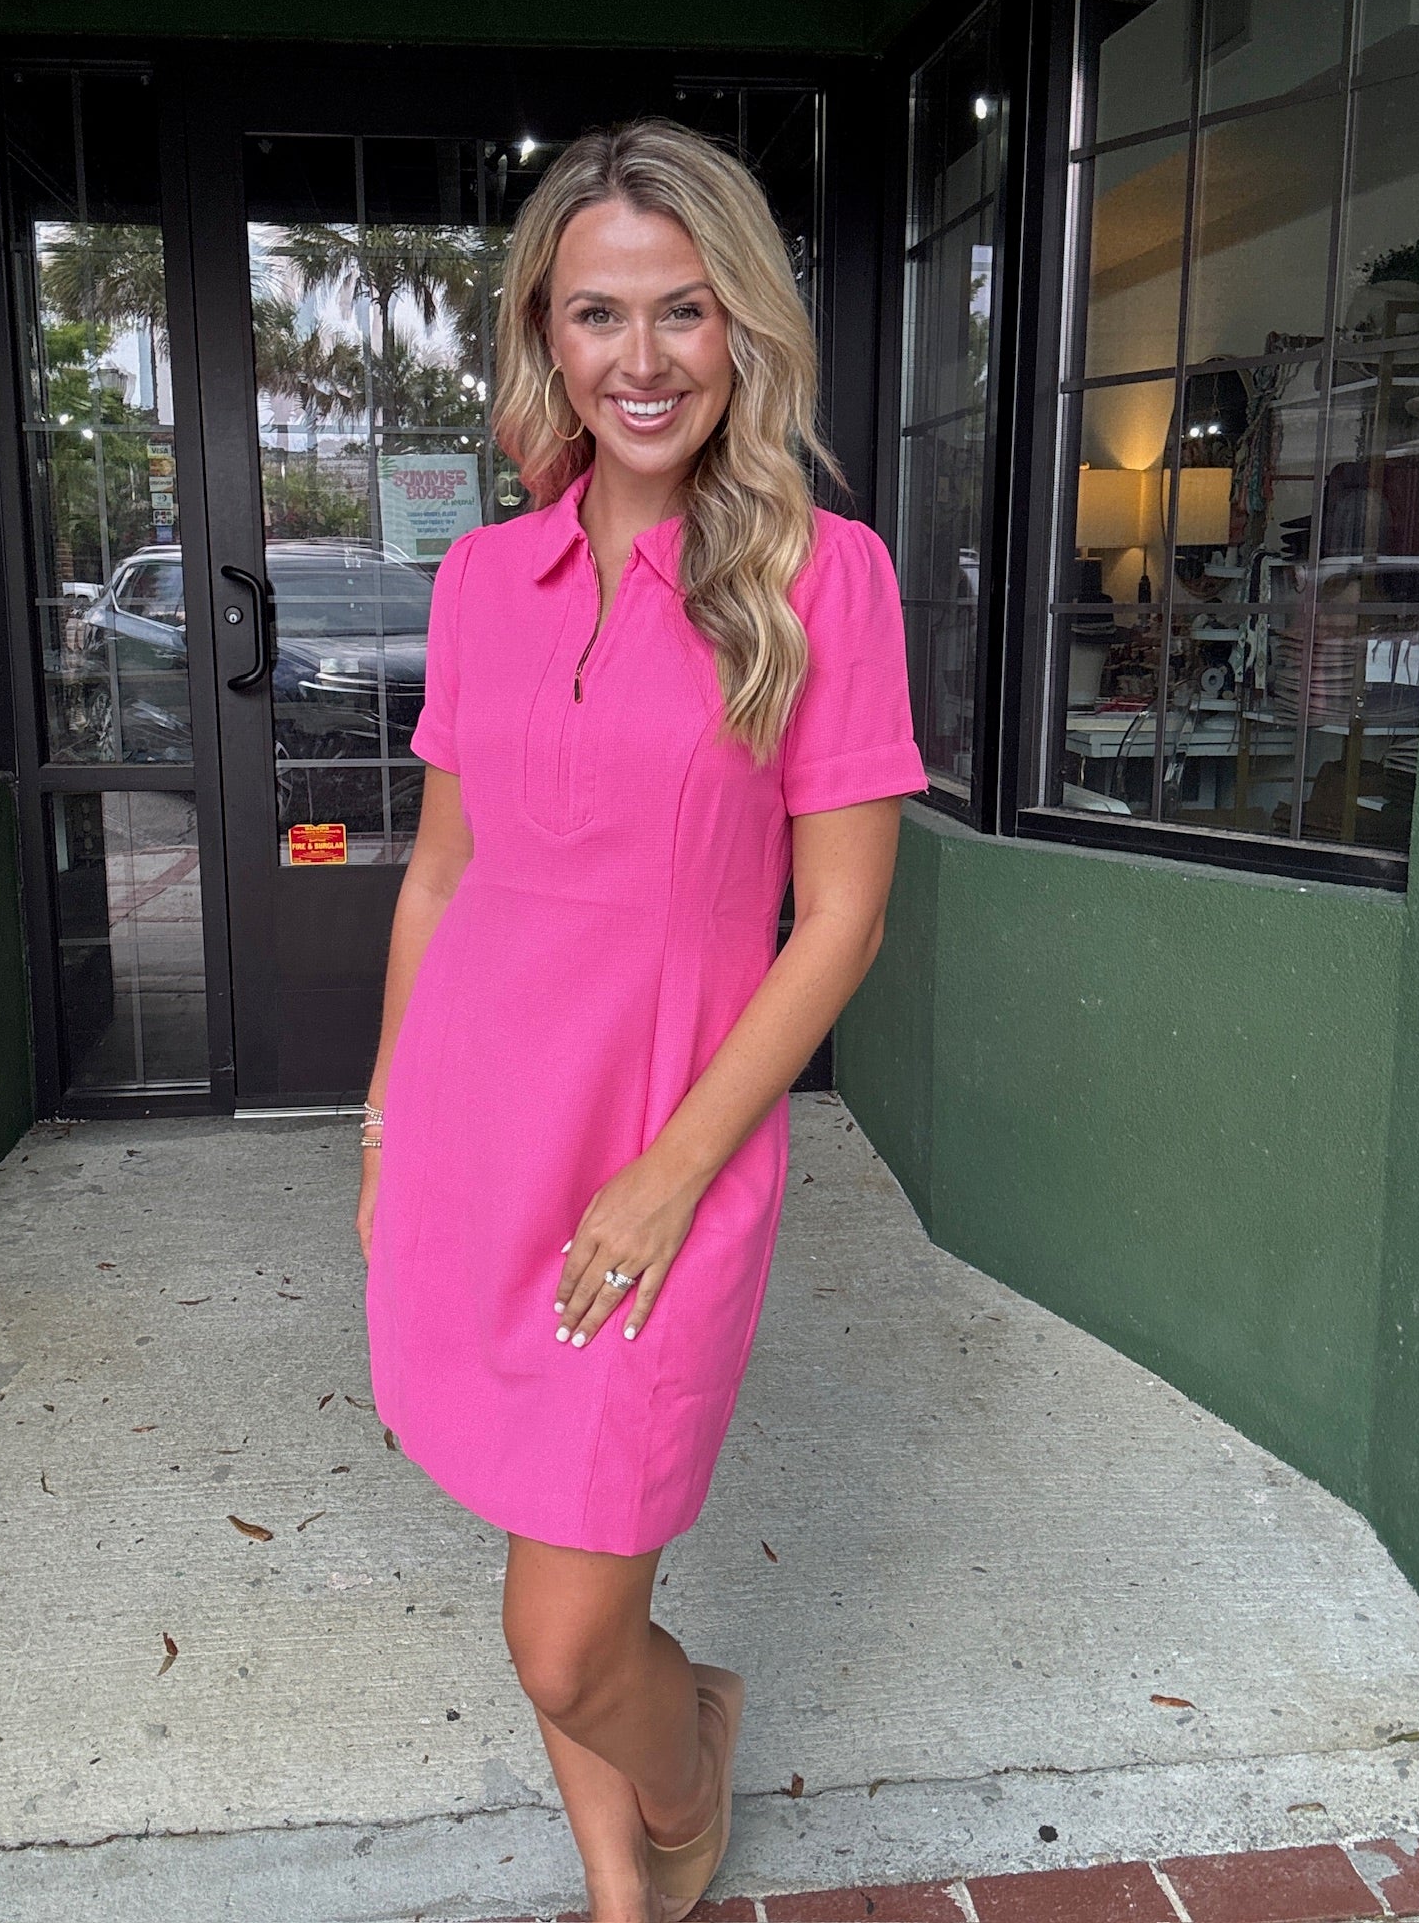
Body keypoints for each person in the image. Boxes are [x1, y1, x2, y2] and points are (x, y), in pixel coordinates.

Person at [358, 115, 929, 1923]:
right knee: (545, 1563)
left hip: (665, 1150)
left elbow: (837, 924)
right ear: (547, 336)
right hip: (478, 1126)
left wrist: (674, 1176)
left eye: (683, 312)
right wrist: (385, 1127)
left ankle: (691, 1759)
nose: (643, 359)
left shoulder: (822, 577)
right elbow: (440, 882)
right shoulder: (478, 581)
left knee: (566, 1637)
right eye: (599, 316)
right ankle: (626, 1888)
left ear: (740, 328)